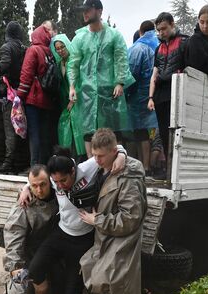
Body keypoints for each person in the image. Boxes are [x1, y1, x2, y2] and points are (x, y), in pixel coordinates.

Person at [19, 145, 127, 294]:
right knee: (35, 269)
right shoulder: (54, 180)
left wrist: (122, 156)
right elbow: (38, 178)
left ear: (73, 171)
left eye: (64, 180)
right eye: (56, 182)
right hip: (61, 234)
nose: (60, 185)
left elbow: (114, 147)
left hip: (84, 240)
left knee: (73, 289)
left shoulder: (86, 168)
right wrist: (25, 188)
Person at [79, 128, 147, 294]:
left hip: (122, 241)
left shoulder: (129, 173)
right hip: (106, 239)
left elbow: (130, 220)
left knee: (104, 287)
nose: (95, 159)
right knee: (90, 273)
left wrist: (96, 220)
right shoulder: (103, 166)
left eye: (100, 156)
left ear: (113, 151)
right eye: (93, 154)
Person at [68, 0, 135, 157]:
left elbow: (121, 59)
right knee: (88, 129)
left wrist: (119, 82)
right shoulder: (80, 38)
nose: (85, 13)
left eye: (88, 10)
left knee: (112, 130)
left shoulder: (114, 35)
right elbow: (73, 64)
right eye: (83, 10)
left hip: (110, 91)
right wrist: (72, 86)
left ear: (99, 11)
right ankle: (93, 166)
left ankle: (115, 164)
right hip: (86, 92)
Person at [0, 164, 59, 294]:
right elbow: (13, 237)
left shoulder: (61, 195)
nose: (39, 190)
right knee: (20, 291)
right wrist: (15, 267)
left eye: (43, 185)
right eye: (34, 186)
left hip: (55, 254)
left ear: (50, 182)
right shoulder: (24, 204)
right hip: (29, 257)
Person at [0, 21, 27, 174]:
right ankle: (20, 163)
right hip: (23, 94)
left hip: (11, 96)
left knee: (10, 129)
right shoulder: (24, 49)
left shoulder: (7, 47)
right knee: (21, 129)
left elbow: (5, 63)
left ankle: (7, 164)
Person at [148, 12, 188, 177]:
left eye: (164, 28)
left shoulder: (184, 42)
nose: (161, 33)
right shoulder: (159, 48)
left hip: (178, 90)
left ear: (172, 24)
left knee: (177, 131)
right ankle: (168, 168)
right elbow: (155, 74)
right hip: (161, 94)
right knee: (164, 132)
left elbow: (189, 67)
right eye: (159, 30)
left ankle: (179, 169)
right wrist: (150, 97)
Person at [17, 24, 55, 166]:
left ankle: (34, 167)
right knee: (45, 135)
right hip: (48, 101)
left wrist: (20, 96)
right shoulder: (49, 52)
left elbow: (26, 75)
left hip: (33, 100)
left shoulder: (33, 50)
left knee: (34, 133)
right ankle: (44, 166)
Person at [126, 20, 159, 175]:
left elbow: (131, 74)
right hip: (155, 94)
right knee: (148, 134)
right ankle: (147, 166)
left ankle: (144, 167)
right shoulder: (159, 44)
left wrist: (126, 93)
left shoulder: (138, 48)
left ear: (140, 32)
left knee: (140, 133)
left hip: (139, 96)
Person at [51, 34, 86, 161]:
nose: (60, 50)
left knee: (77, 128)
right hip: (66, 101)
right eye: (57, 48)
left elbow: (81, 81)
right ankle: (68, 157)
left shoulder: (75, 60)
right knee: (65, 128)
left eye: (62, 47)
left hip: (78, 99)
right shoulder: (59, 63)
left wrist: (73, 99)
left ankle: (81, 157)